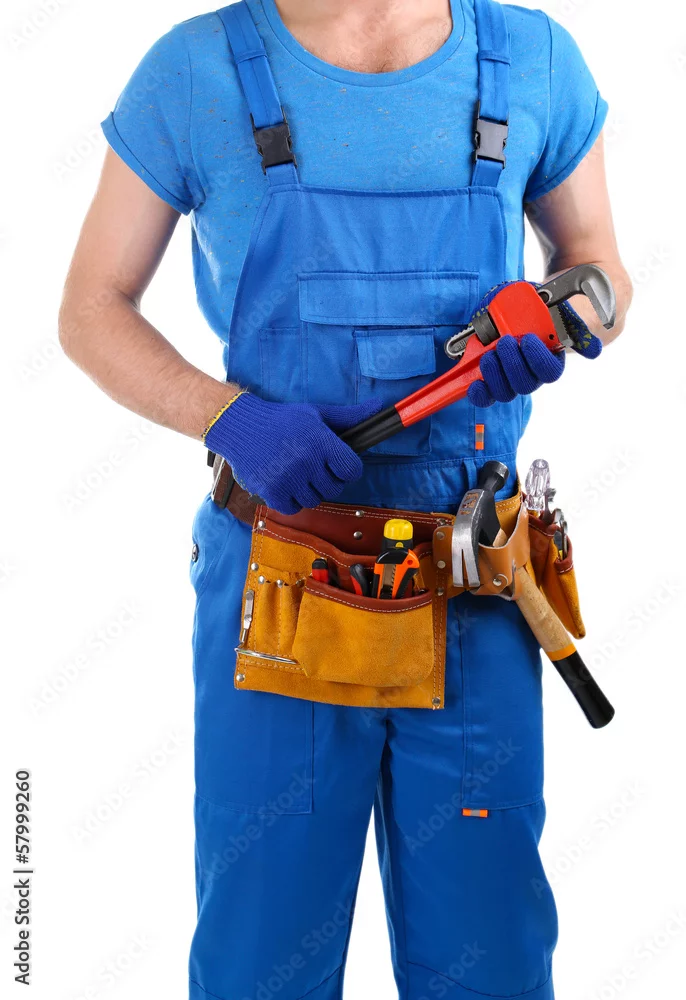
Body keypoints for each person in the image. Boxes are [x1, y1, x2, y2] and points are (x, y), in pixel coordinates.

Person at [59, 1, 632, 998]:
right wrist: (229, 420)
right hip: (282, 586)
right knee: (261, 967)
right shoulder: (197, 69)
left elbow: (600, 270)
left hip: (473, 579)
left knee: (490, 963)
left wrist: (561, 316)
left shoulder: (531, 57)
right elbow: (89, 309)